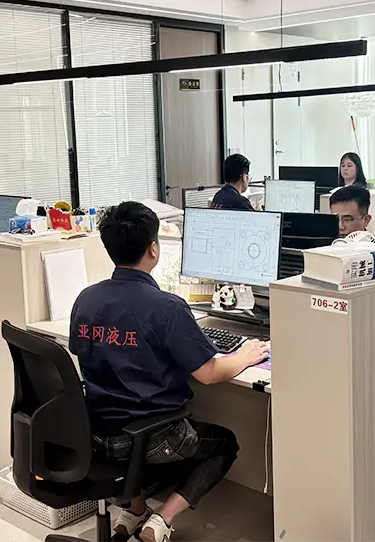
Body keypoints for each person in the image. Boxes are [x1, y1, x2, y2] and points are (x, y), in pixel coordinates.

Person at [70, 201, 269, 542]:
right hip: (151, 438)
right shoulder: (166, 307)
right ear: (153, 249)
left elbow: (82, 350)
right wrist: (245, 354)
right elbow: (208, 373)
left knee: (133, 430)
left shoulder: (86, 299)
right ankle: (162, 519)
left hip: (95, 432)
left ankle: (134, 510)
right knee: (225, 444)